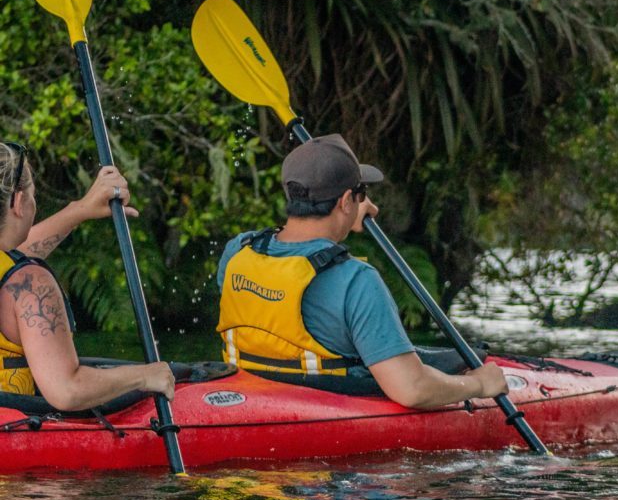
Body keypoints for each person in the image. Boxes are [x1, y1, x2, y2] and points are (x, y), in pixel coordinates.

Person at [216, 134, 508, 409]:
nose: (370, 205)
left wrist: (345, 215)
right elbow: (411, 389)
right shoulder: (356, 280)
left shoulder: (239, 251)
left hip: (250, 396)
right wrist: (477, 385)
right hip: (324, 413)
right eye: (361, 194)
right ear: (345, 201)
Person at [0, 141, 174, 409]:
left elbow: (13, 254)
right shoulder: (30, 283)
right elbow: (66, 390)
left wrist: (80, 210)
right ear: (19, 202)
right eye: (33, 195)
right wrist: (146, 376)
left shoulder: (11, 269)